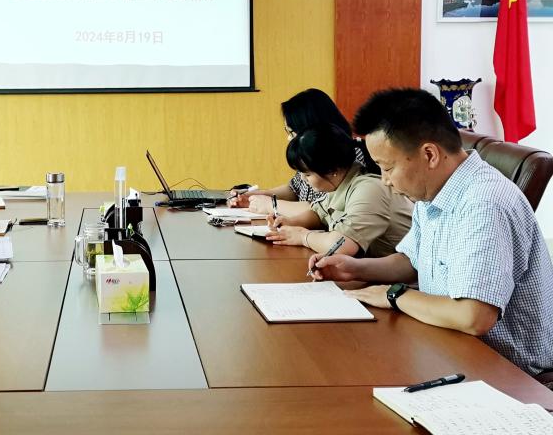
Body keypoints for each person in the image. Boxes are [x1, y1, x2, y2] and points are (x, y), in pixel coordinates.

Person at [310, 88, 553, 378]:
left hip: (508, 372)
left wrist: (394, 295)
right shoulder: (433, 190)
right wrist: (353, 268)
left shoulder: (484, 203)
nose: (385, 181)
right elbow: (412, 261)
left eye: (387, 168)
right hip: (447, 346)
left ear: (429, 154)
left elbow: (473, 316)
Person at [266, 124, 411, 257]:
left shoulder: (369, 189)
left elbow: (341, 245)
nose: (303, 179)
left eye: (308, 174)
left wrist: (302, 236)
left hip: (404, 275)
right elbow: (319, 213)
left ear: (332, 170)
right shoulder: (341, 184)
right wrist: (290, 222)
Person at [229, 88, 367, 215]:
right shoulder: (308, 153)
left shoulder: (348, 155)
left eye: (292, 132)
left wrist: (271, 205)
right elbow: (294, 189)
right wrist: (257, 196)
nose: (289, 138)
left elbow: (322, 210)